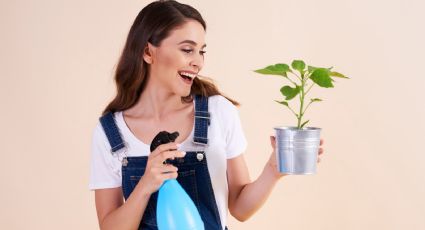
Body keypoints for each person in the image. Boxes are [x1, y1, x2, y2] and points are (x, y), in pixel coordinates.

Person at [89, 1, 324, 229]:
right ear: (148, 52)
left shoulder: (219, 112)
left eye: (201, 52)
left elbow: (240, 209)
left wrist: (274, 169)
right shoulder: (111, 132)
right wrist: (145, 185)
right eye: (187, 50)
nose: (198, 62)